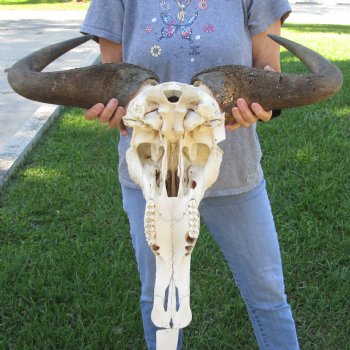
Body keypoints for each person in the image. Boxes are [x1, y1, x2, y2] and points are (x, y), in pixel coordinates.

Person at [81, 0, 299, 349]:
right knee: (159, 298)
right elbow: (114, 78)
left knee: (268, 296)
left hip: (233, 171)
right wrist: (114, 109)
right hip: (150, 176)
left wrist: (261, 106)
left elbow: (269, 73)